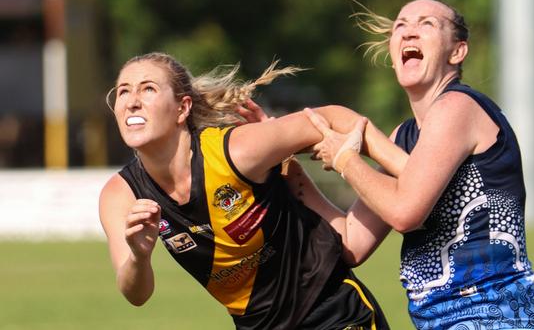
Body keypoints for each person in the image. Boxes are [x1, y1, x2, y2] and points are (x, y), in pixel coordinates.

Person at [303, 0, 534, 330]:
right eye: (400, 26)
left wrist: (346, 158)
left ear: (457, 52)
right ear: (393, 57)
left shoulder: (459, 106)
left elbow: (405, 212)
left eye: (426, 24)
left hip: (497, 316)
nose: (409, 33)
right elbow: (351, 242)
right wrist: (290, 175)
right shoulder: (404, 136)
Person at [98, 52, 398, 330]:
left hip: (331, 312)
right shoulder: (120, 194)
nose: (132, 101)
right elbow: (136, 295)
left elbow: (331, 118)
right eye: (123, 91)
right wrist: (139, 256)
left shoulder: (234, 150)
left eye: (147, 88)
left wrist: (402, 165)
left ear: (183, 108)